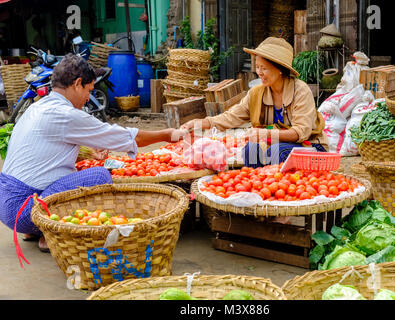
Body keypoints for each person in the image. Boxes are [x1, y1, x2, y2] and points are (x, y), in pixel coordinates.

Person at [0, 54, 186, 252]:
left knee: (73, 174)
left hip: (7, 204)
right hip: (24, 208)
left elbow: (47, 148)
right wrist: (168, 134)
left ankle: (33, 229)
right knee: (99, 175)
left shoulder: (38, 107)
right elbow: (128, 137)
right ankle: (50, 232)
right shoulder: (66, 114)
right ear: (77, 84)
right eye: (89, 90)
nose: (89, 97)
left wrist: (87, 151)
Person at [180, 37, 328, 168]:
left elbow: (300, 133)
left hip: (309, 146)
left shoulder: (300, 91)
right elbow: (231, 117)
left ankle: (283, 191)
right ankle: (260, 187)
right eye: (257, 67)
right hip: (276, 146)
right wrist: (199, 123)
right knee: (250, 149)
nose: (259, 72)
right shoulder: (257, 93)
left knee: (276, 152)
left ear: (280, 70)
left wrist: (264, 133)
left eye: (264, 68)